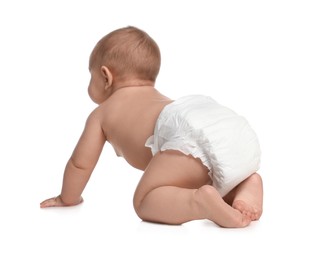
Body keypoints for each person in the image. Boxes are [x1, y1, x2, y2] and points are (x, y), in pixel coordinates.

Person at [40, 26, 263, 228]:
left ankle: (199, 202)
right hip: (216, 123)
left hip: (183, 137)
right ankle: (244, 185)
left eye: (91, 76)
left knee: (145, 199)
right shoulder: (155, 98)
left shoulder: (102, 114)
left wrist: (68, 198)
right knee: (204, 174)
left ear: (105, 76)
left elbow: (80, 164)